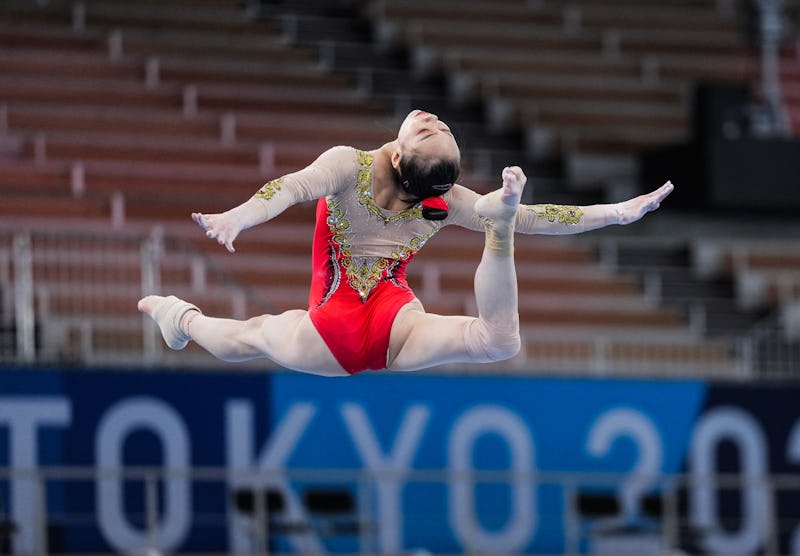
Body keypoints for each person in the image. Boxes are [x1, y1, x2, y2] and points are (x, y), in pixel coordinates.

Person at [139, 109, 673, 376]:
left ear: (397, 154)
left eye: (430, 129)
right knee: (498, 341)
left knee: (250, 337)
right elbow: (542, 217)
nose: (429, 118)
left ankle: (180, 319)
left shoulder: (349, 166)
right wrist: (616, 214)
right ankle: (498, 227)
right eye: (435, 125)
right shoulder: (444, 202)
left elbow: (291, 188)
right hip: (398, 325)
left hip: (336, 330)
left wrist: (241, 217)